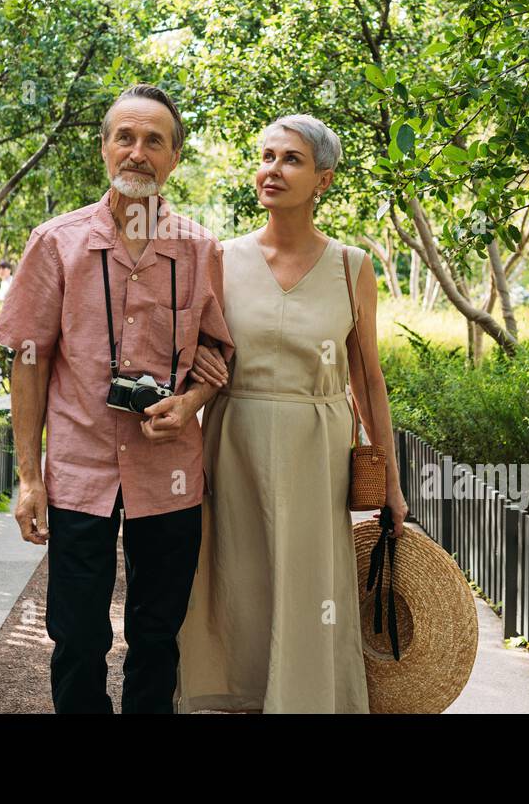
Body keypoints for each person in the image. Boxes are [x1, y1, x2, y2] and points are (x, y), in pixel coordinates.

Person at [0, 82, 235, 714]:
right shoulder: (56, 243)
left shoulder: (199, 248)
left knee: (157, 636)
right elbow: (27, 360)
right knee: (76, 634)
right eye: (124, 136)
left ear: (175, 157)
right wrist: (28, 477)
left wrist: (189, 403)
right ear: (104, 147)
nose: (137, 152)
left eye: (154, 140)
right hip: (79, 470)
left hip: (171, 472)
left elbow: (219, 353)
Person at [174, 114, 409, 714]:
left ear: (323, 180)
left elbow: (370, 380)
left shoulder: (353, 266)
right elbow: (198, 356)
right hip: (233, 439)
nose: (271, 169)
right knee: (236, 575)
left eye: (291, 159)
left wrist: (393, 486)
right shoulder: (220, 258)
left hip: (318, 448)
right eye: (266, 155)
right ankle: (237, 692)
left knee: (309, 584)